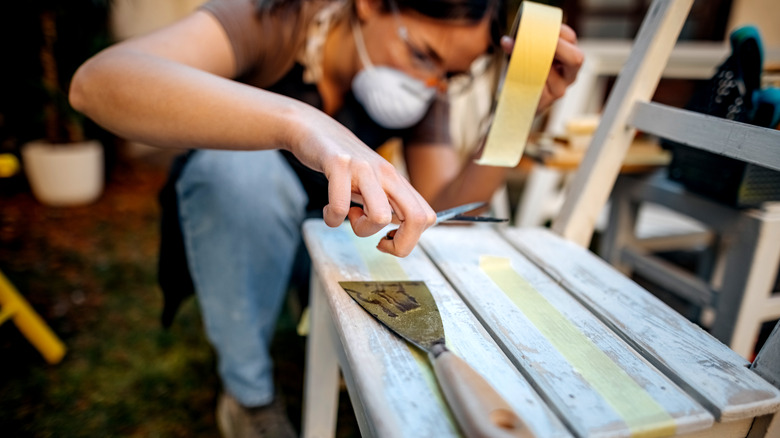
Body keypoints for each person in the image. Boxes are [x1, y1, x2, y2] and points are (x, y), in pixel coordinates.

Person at [69, 0, 583, 436]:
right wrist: (301, 124)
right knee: (237, 168)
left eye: (448, 76)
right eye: (422, 54)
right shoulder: (274, 18)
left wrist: (515, 119)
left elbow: (441, 211)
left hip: (322, 238)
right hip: (231, 224)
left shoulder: (421, 95)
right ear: (370, 4)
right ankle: (248, 399)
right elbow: (97, 84)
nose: (429, 84)